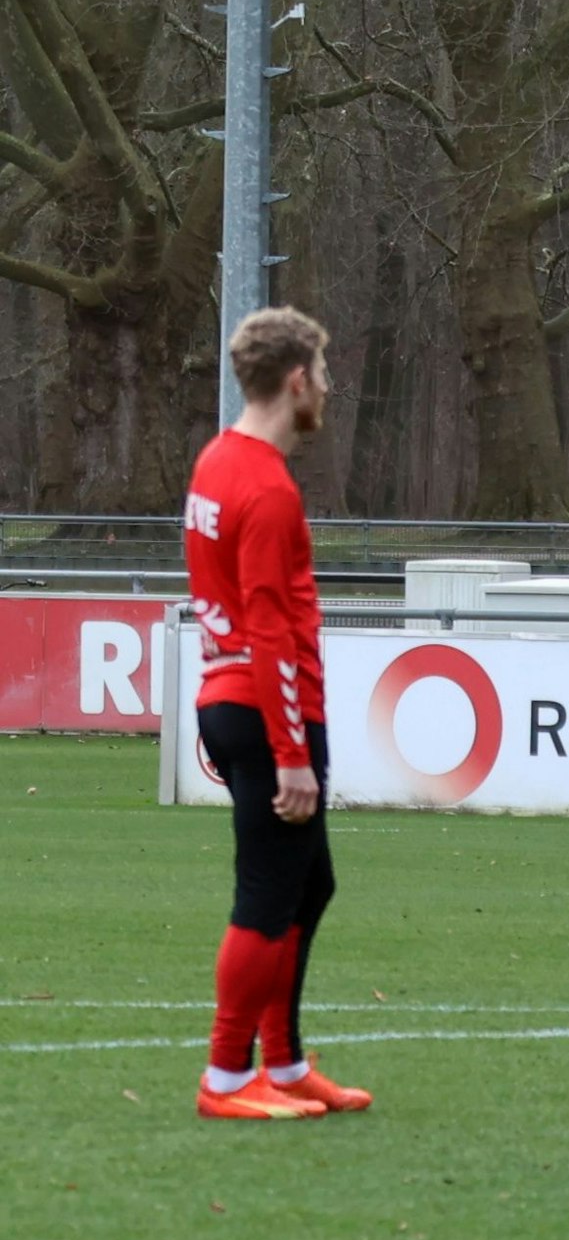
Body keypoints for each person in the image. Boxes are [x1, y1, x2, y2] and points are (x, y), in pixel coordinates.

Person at [183, 306, 371, 1120]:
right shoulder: (264, 486)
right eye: (323, 374)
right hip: (265, 712)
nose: (326, 389)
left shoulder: (216, 463)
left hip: (235, 701)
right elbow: (267, 624)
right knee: (268, 893)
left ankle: (286, 1063)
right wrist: (293, 750)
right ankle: (226, 1076)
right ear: (297, 381)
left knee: (309, 882)